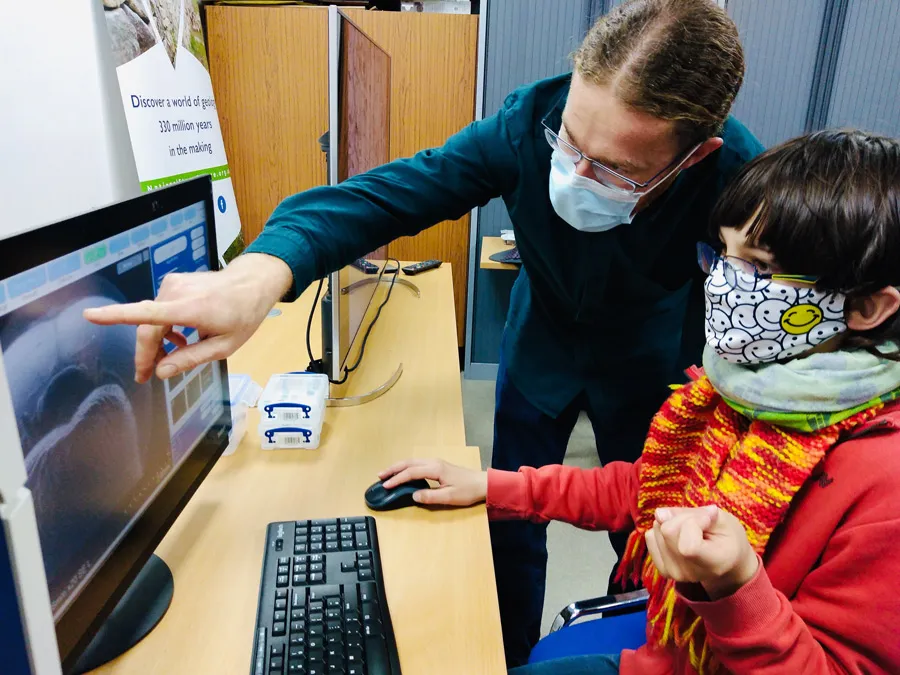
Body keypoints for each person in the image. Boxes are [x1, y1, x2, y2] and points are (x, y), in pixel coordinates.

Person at [84, 0, 762, 664]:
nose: (577, 175)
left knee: (650, 535)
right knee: (507, 526)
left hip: (651, 366)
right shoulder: (528, 121)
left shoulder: (740, 175)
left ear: (694, 157)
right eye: (570, 144)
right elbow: (389, 195)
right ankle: (509, 653)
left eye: (614, 169)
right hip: (541, 347)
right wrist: (261, 272)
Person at [377, 129, 900, 675]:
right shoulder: (751, 389)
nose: (724, 284)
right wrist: (491, 486)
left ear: (866, 307)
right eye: (723, 256)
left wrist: (735, 589)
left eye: (758, 268)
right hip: (664, 649)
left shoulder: (883, 483)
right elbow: (649, 488)